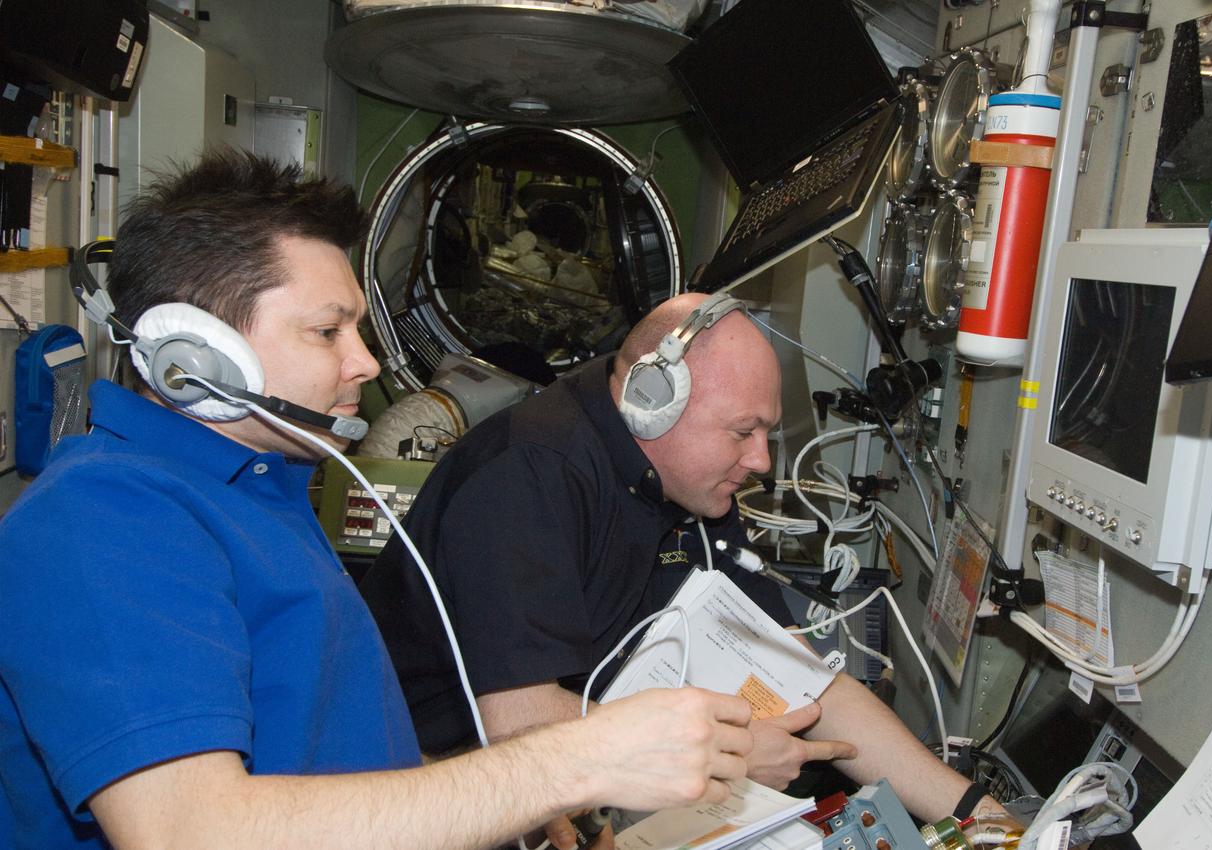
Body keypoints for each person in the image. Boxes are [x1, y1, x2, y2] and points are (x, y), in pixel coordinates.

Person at [0, 150, 759, 850]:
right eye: (327, 331)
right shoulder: (102, 519)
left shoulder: (257, 489)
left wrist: (510, 807)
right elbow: (188, 831)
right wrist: (573, 762)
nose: (364, 362)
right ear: (195, 354)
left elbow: (330, 769)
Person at [360, 291, 1005, 830]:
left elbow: (808, 681)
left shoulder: (696, 492)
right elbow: (519, 722)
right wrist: (732, 755)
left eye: (767, 433)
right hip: (433, 798)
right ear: (652, 401)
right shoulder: (529, 475)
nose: (761, 461)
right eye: (742, 431)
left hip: (582, 784)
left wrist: (981, 816)